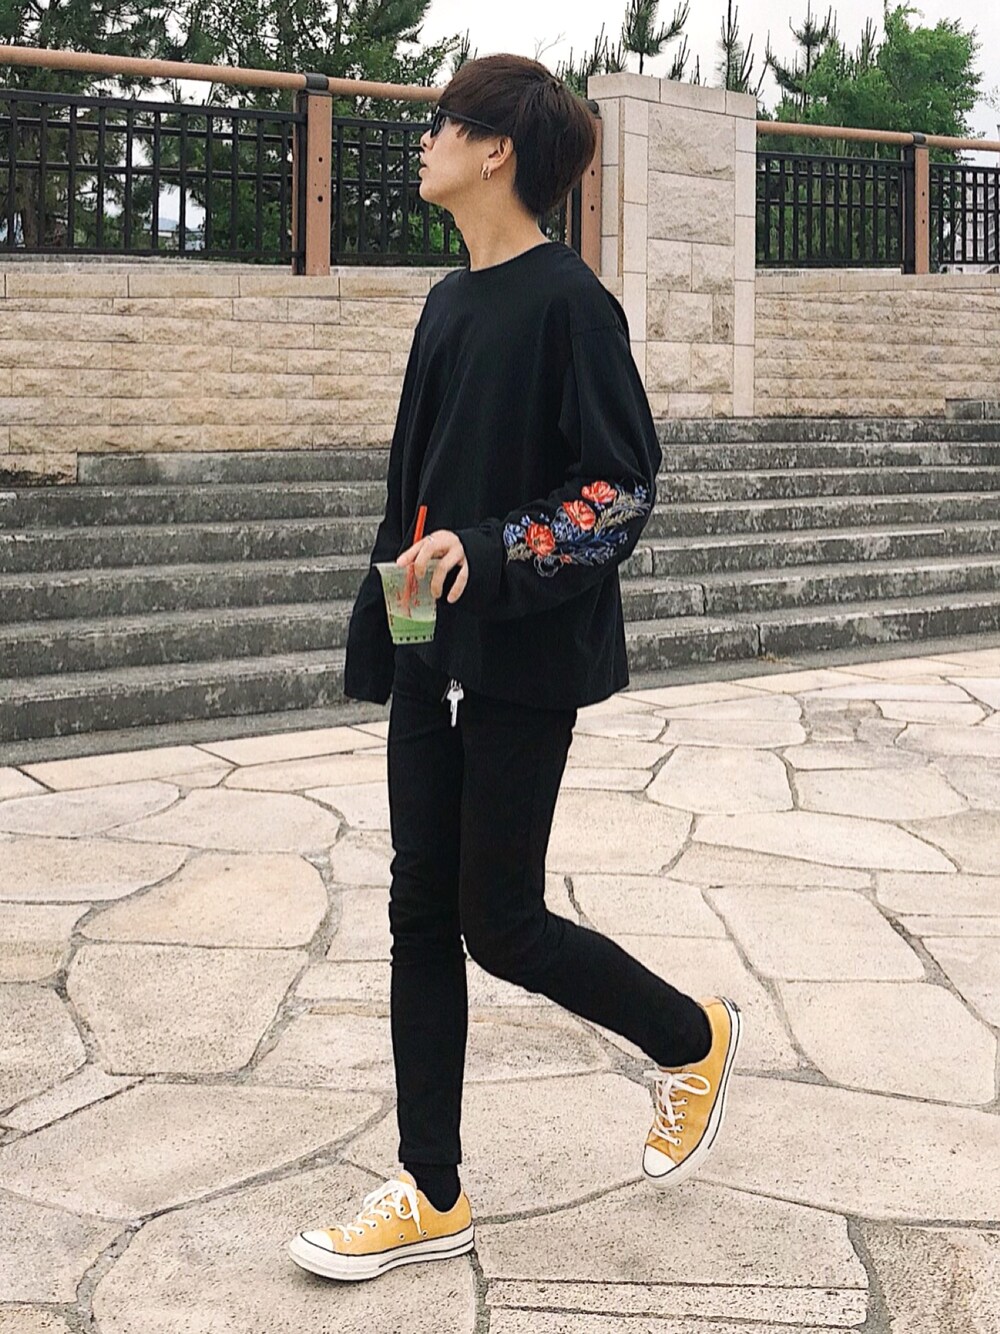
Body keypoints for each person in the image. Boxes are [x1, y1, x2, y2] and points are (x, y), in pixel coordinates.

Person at [288, 53, 742, 1285]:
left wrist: (487, 552)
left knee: (499, 921)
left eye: (445, 120)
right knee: (416, 910)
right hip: (428, 646)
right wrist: (387, 621)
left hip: (523, 657)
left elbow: (619, 491)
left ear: (496, 151)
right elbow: (413, 483)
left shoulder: (570, 306)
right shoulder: (447, 301)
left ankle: (691, 1036)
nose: (426, 135)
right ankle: (430, 1189)